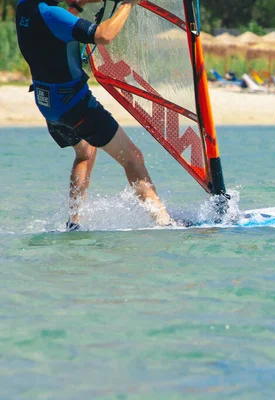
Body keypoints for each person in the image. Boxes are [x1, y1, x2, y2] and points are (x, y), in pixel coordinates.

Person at [15, 0, 171, 231]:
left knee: (85, 152)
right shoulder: (52, 14)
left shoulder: (24, 7)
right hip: (75, 105)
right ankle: (164, 221)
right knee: (132, 157)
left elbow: (53, 34)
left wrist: (77, 6)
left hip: (48, 104)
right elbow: (104, 35)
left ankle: (74, 221)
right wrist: (127, 4)